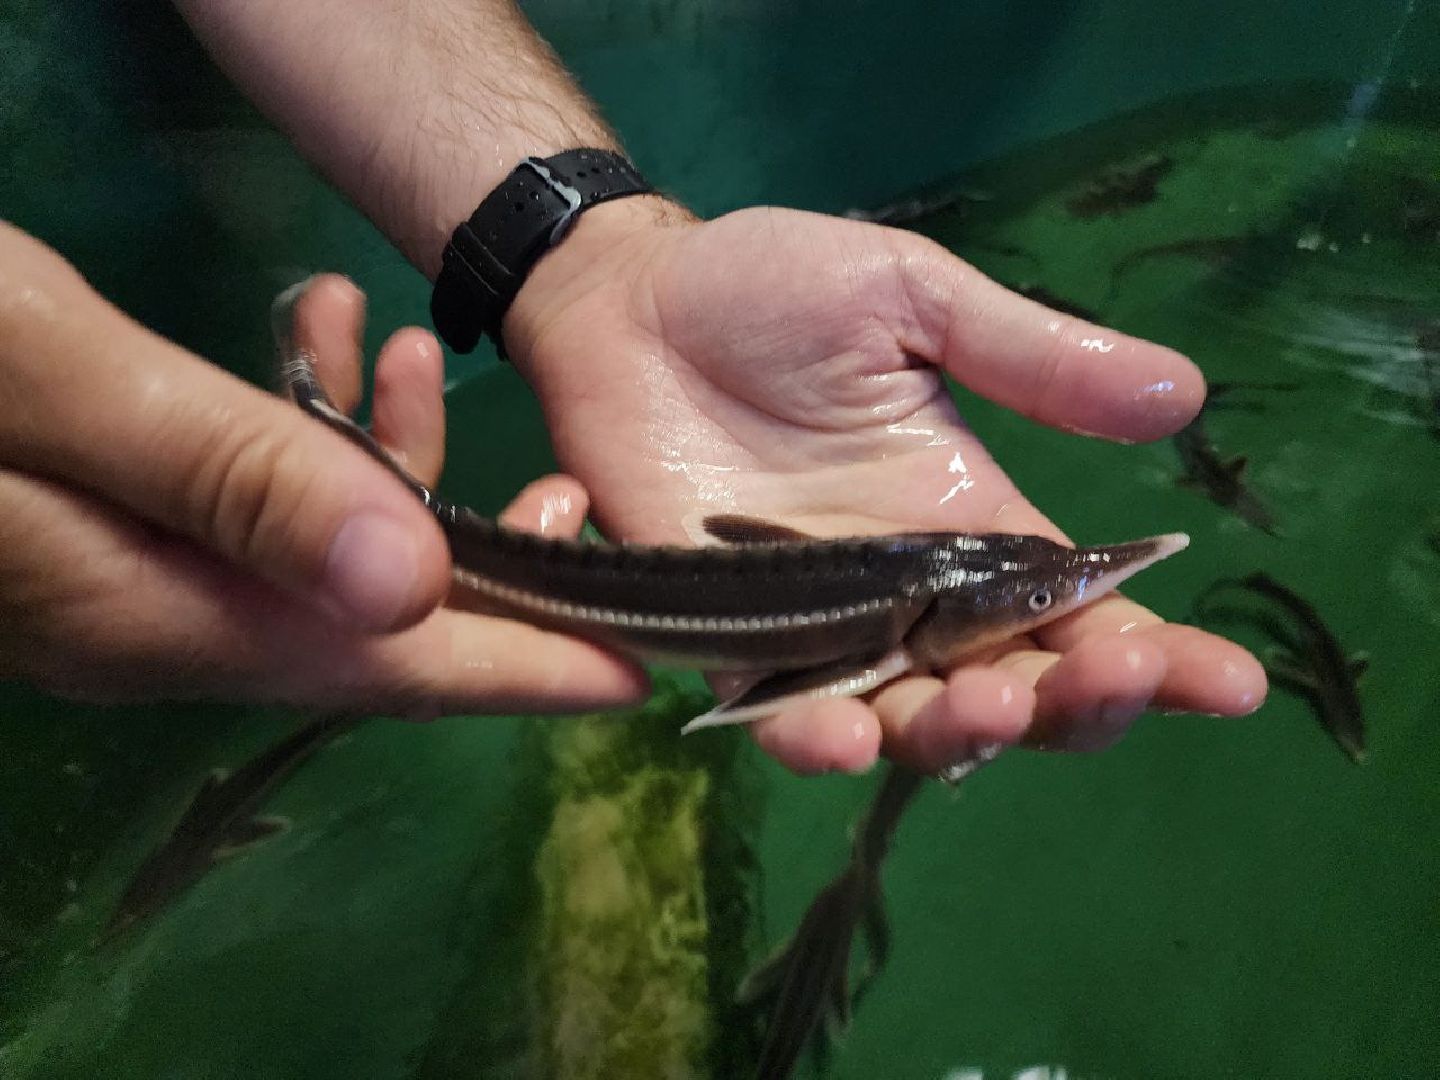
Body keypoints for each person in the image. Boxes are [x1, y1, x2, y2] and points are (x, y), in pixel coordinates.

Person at [0, 0, 1264, 777]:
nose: (1065, 591)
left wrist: (593, 258)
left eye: (1043, 586)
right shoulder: (886, 630)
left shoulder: (916, 596)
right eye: (1040, 589)